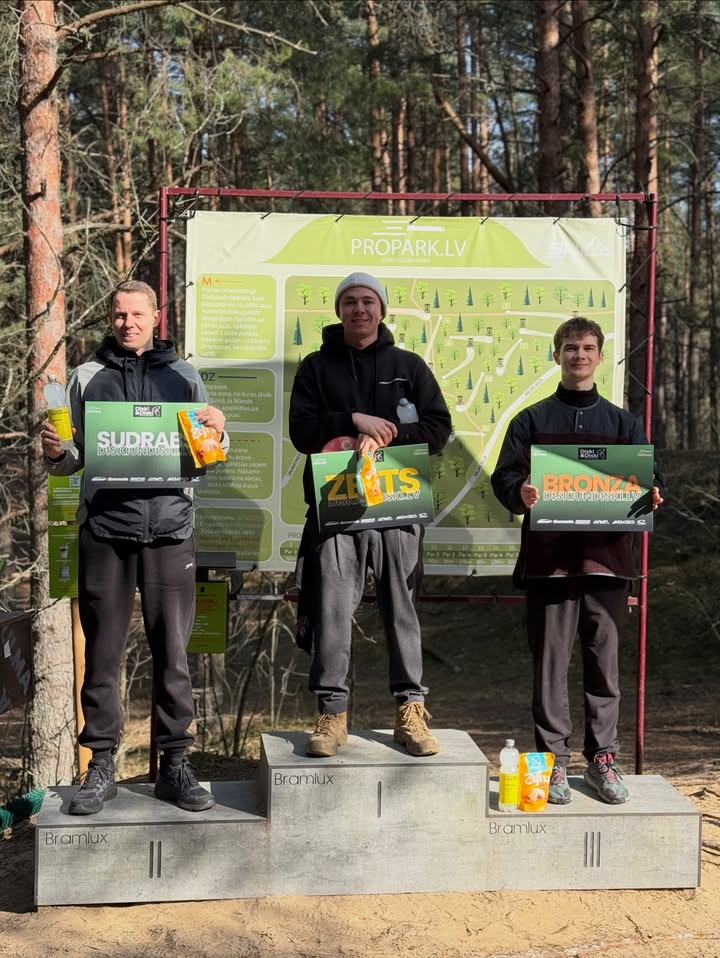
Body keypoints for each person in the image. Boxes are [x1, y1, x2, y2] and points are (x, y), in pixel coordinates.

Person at [41, 280, 228, 815]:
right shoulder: (86, 377)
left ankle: (175, 765)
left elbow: (208, 452)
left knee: (173, 654)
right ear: (110, 318)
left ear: (156, 317)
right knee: (102, 654)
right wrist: (55, 453)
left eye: (138, 314)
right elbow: (71, 458)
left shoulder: (184, 376)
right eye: (120, 314)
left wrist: (220, 431)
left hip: (171, 530)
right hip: (105, 532)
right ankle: (100, 766)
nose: (129, 323)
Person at [491, 317, 663, 805]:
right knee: (550, 667)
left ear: (600, 357)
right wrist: (520, 491)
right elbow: (504, 478)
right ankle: (552, 764)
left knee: (604, 666)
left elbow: (652, 480)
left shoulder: (623, 423)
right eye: (570, 348)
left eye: (588, 348)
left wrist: (653, 493)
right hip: (549, 565)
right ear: (557, 355)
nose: (579, 356)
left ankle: (602, 760)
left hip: (609, 564)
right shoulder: (530, 420)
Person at [289, 272, 452, 758]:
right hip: (337, 506)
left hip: (398, 505)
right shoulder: (315, 367)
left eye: (367, 301)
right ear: (339, 311)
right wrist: (352, 422)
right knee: (332, 609)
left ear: (381, 310)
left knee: (402, 609)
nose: (359, 309)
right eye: (350, 302)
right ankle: (331, 714)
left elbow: (438, 430)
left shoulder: (409, 366)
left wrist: (387, 435)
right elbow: (302, 431)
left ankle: (411, 711)